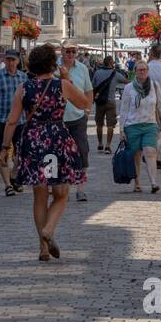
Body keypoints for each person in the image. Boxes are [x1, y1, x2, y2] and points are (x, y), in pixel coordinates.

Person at [0, 43, 91, 261]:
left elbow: (12, 121)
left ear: (32, 65)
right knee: (61, 194)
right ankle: (49, 229)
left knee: (39, 195)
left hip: (33, 141)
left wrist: (4, 148)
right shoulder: (62, 85)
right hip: (56, 139)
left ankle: (42, 248)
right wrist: (67, 78)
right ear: (53, 64)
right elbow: (84, 103)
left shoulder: (23, 88)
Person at [0, 50, 28, 196]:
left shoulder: (23, 77)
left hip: (20, 120)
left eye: (13, 60)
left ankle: (14, 176)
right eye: (8, 59)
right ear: (4, 60)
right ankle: (8, 185)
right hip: (2, 119)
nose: (10, 62)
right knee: (1, 152)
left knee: (21, 152)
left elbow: (28, 100)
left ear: (18, 61)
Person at [120, 60, 161, 193]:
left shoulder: (154, 85)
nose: (142, 72)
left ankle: (153, 182)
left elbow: (160, 106)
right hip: (132, 125)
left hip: (150, 124)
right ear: (135, 72)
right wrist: (121, 129)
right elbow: (124, 109)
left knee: (150, 152)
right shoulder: (129, 88)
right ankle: (137, 182)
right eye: (140, 70)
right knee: (136, 155)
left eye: (144, 70)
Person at [60, 41, 93, 202]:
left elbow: (89, 91)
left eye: (73, 51)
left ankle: (80, 188)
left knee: (82, 151)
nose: (70, 54)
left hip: (78, 117)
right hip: (58, 119)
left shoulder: (82, 68)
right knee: (59, 153)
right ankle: (59, 186)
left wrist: (87, 110)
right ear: (62, 51)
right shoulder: (55, 69)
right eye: (67, 51)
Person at [91, 57, 121, 154]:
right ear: (111, 63)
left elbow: (93, 86)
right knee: (110, 125)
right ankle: (108, 146)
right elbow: (126, 81)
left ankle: (100, 144)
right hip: (111, 102)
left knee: (99, 125)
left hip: (99, 102)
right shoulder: (115, 73)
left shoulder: (97, 73)